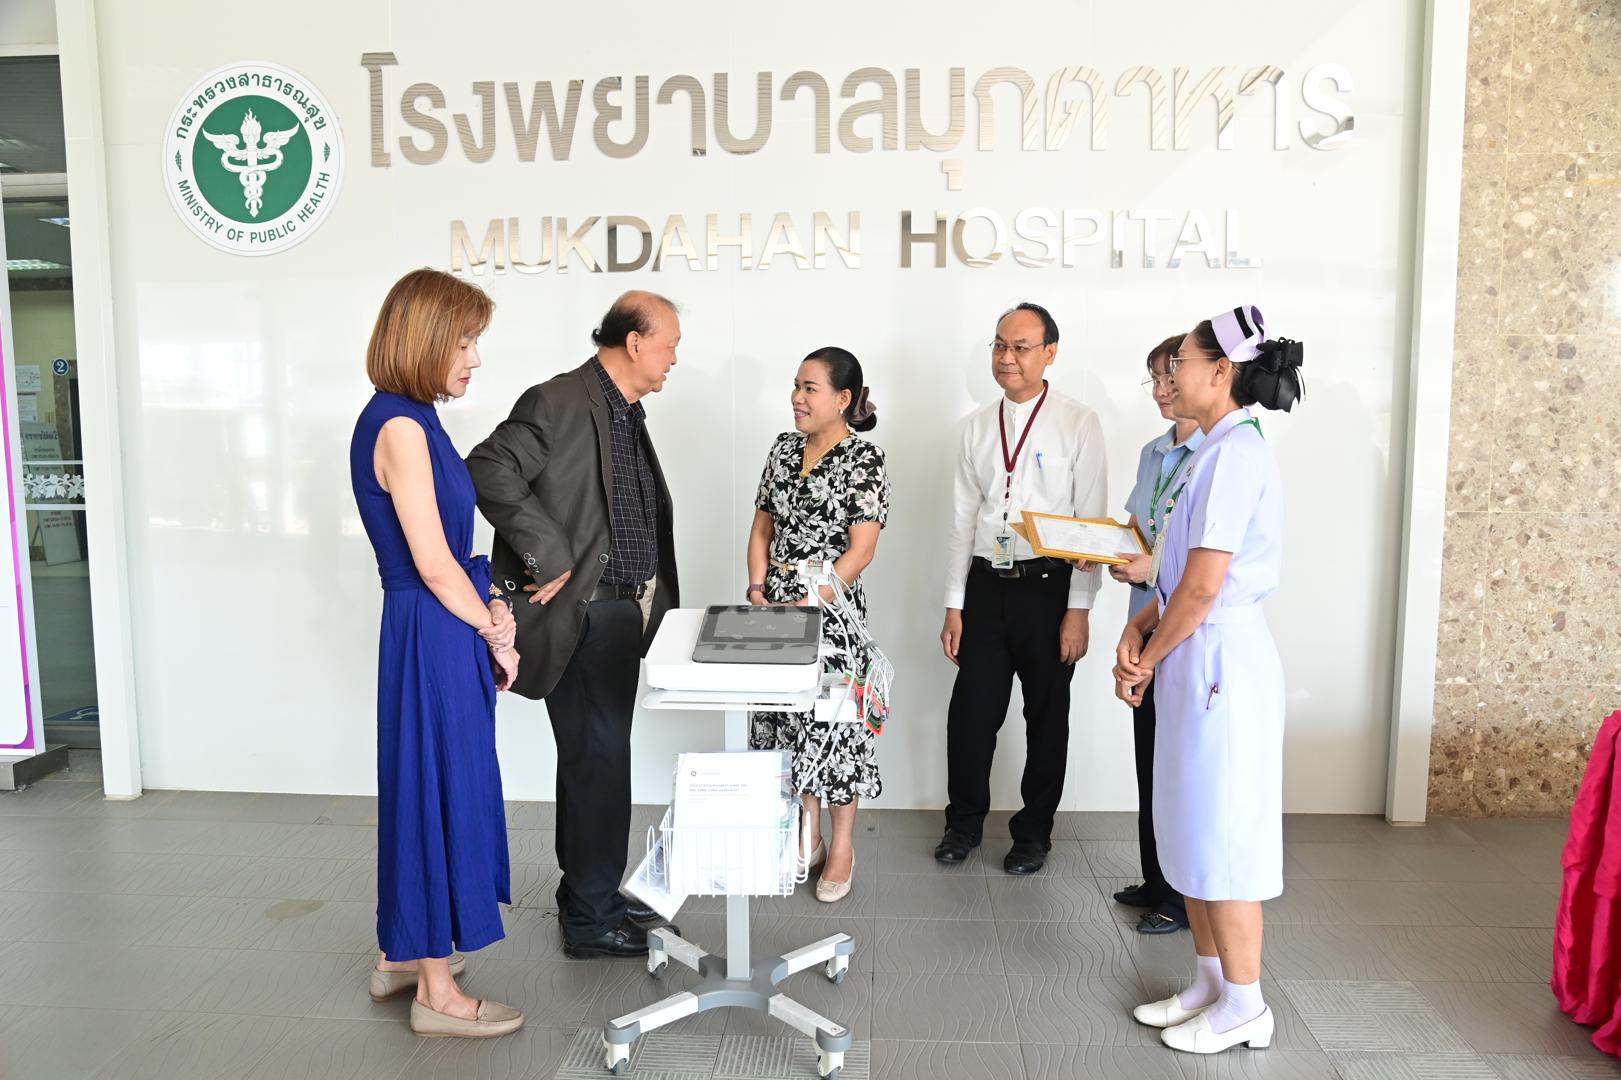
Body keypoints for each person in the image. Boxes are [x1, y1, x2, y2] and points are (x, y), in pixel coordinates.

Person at [466, 291, 681, 960]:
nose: (674, 358)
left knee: (599, 763)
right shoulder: (557, 401)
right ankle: (590, 918)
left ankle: (592, 895)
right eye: (669, 344)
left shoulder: (624, 412)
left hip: (619, 615)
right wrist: (546, 549)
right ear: (635, 342)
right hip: (584, 616)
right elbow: (487, 467)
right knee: (598, 764)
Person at [1113, 305, 1304, 1055]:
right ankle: (1210, 981)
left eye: (1180, 363)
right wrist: (1139, 628)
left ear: (1220, 371)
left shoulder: (1237, 454)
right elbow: (1173, 575)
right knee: (1188, 824)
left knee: (1225, 838)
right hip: (1191, 652)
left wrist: (1147, 654)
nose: (1170, 375)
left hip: (1220, 659)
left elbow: (1202, 587)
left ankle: (1247, 1005)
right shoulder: (1207, 450)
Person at [349, 268, 523, 1038]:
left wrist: (491, 610)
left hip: (434, 623)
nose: (474, 357)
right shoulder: (399, 427)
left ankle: (400, 954)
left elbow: (448, 559)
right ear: (424, 340)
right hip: (432, 627)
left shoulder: (412, 418)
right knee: (435, 792)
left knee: (428, 783)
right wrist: (493, 629)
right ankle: (436, 996)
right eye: (464, 341)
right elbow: (432, 563)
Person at [936, 302, 1108, 875]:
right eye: (999, 345)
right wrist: (954, 604)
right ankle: (963, 825)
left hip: (1049, 589)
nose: (1006, 357)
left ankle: (1034, 833)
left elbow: (1091, 524)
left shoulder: (1078, 422)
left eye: (1020, 347)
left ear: (1049, 353)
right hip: (986, 588)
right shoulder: (977, 426)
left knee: (1046, 717)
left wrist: (1078, 609)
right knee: (971, 715)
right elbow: (963, 521)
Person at [746, 347, 890, 903]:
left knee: (835, 726)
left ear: (843, 398)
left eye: (810, 388)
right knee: (788, 722)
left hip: (832, 617)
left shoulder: (865, 459)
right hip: (775, 611)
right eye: (796, 386)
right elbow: (762, 527)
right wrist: (757, 589)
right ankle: (806, 834)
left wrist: (810, 603)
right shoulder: (782, 449)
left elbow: (861, 551)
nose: (797, 398)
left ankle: (844, 846)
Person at [1109, 335, 1203, 935]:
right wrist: (1102, 550)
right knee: (1149, 756)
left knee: (1181, 765)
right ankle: (1156, 878)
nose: (1163, 390)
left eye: (1172, 377)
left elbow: (1202, 559)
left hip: (1185, 629)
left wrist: (1151, 566)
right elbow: (1137, 529)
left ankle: (1183, 896)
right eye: (1155, 379)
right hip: (1144, 620)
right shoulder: (1153, 452)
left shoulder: (1214, 455)